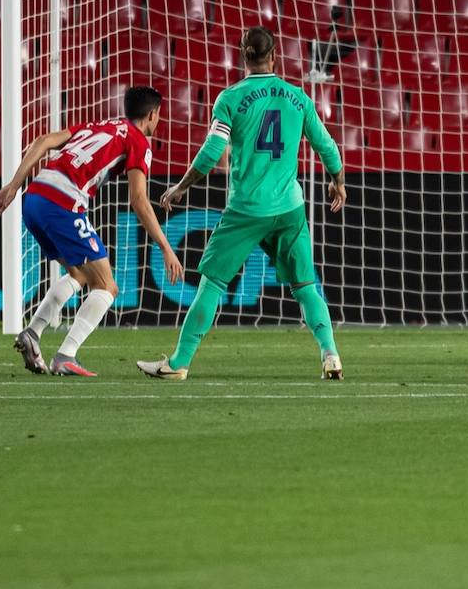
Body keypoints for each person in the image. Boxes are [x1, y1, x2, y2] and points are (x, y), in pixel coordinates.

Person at [136, 27, 347, 381]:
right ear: (275, 56)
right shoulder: (298, 97)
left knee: (212, 283)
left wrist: (181, 187)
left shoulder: (230, 99)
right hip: (289, 209)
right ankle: (331, 355)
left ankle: (179, 363)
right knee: (305, 285)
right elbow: (326, 145)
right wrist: (337, 180)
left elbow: (212, 153)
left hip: (247, 210)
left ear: (243, 56)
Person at [0, 86, 185, 376]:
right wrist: (166, 247)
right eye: (159, 116)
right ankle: (66, 355)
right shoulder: (138, 142)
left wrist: (14, 185)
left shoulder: (101, 125)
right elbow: (140, 201)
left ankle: (33, 332)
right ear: (153, 114)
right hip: (62, 204)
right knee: (107, 286)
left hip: (35, 198)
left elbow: (43, 140)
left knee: (80, 275)